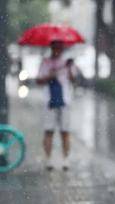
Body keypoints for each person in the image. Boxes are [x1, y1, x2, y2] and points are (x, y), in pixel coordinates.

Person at [36, 40, 78, 171]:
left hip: (65, 101)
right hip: (49, 101)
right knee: (49, 131)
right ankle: (48, 159)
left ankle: (65, 159)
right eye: (55, 47)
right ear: (51, 48)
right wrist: (50, 75)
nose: (57, 50)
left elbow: (74, 79)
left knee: (65, 131)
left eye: (59, 47)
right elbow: (38, 80)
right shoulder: (45, 62)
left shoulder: (67, 63)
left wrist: (70, 67)